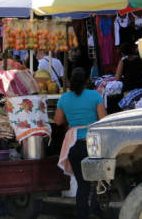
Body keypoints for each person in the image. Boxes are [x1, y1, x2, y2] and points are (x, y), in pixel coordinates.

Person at [54, 67, 107, 219]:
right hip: (94, 142)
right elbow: (103, 119)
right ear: (87, 81)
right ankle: (96, 213)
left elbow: (58, 121)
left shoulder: (64, 98)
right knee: (98, 182)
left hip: (74, 144)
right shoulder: (95, 95)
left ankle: (82, 215)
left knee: (82, 185)